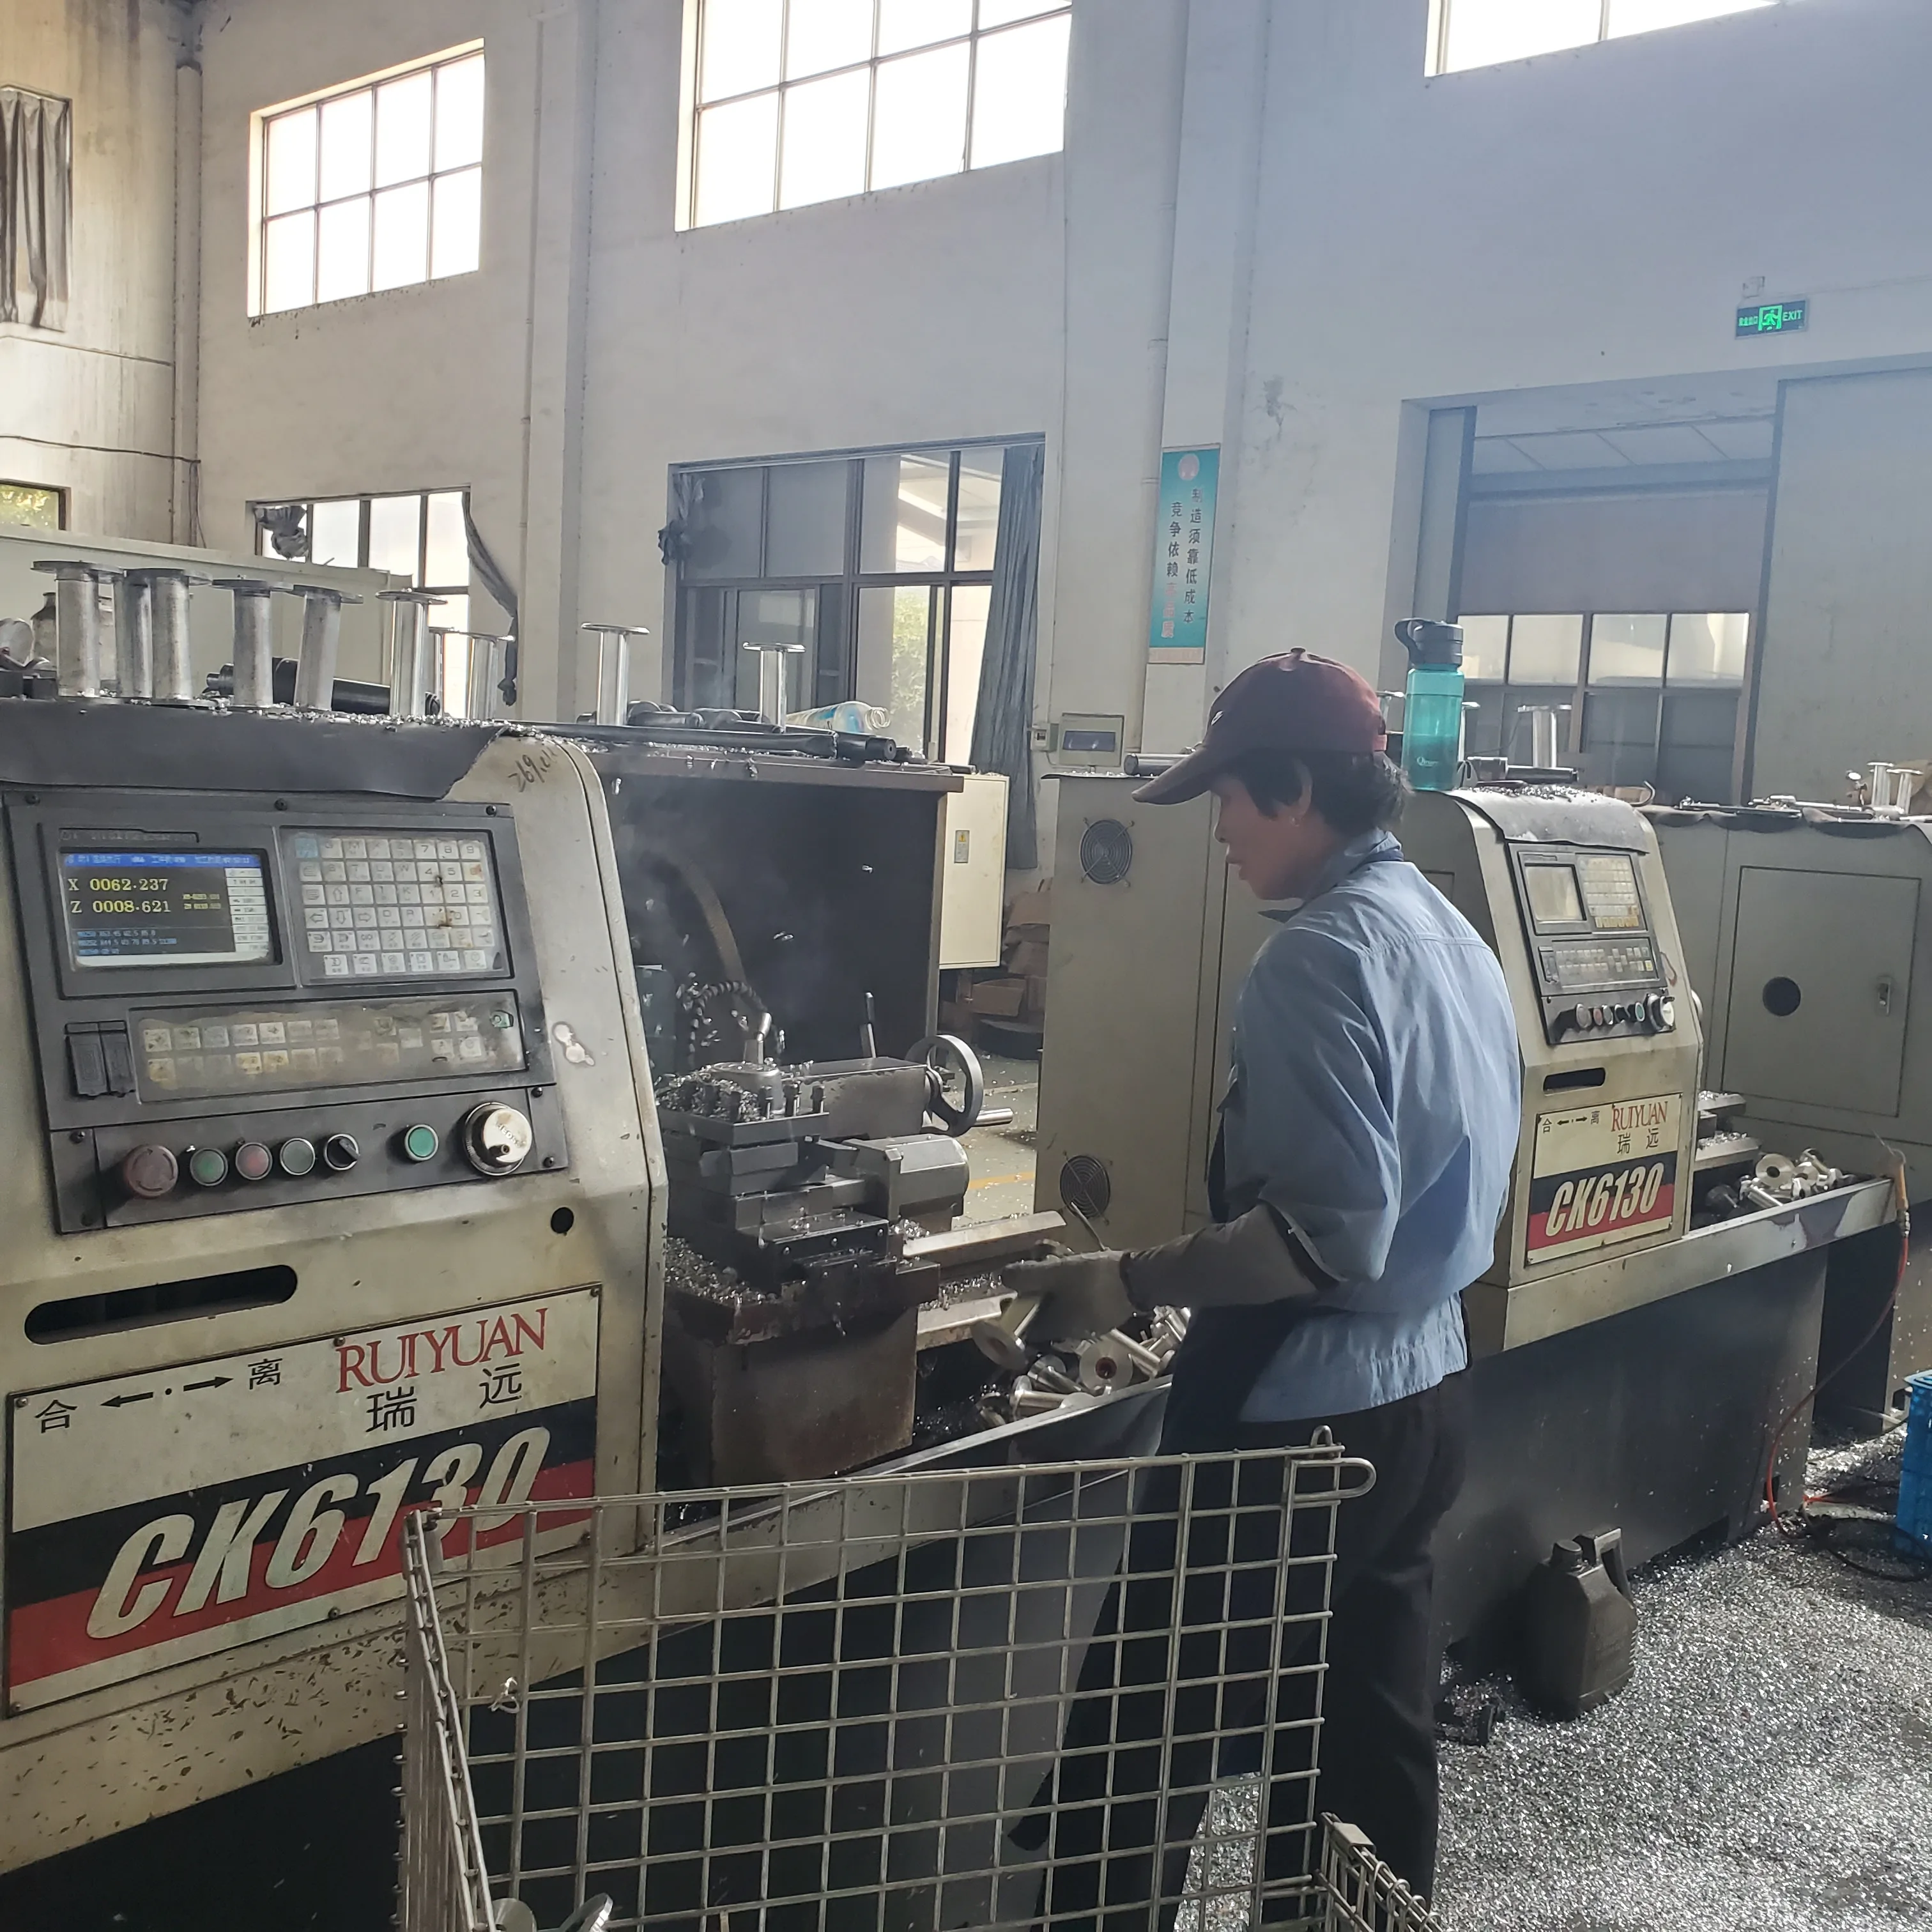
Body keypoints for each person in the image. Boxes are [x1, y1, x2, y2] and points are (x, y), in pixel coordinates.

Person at [1006, 648, 1521, 1915]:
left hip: (1301, 1432)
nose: (1223, 833)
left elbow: (1318, 1242)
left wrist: (1121, 1281)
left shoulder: (1315, 961)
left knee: (1148, 1733)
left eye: (1232, 800)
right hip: (1427, 1400)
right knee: (1368, 1732)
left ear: (1294, 790)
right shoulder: (1448, 932)